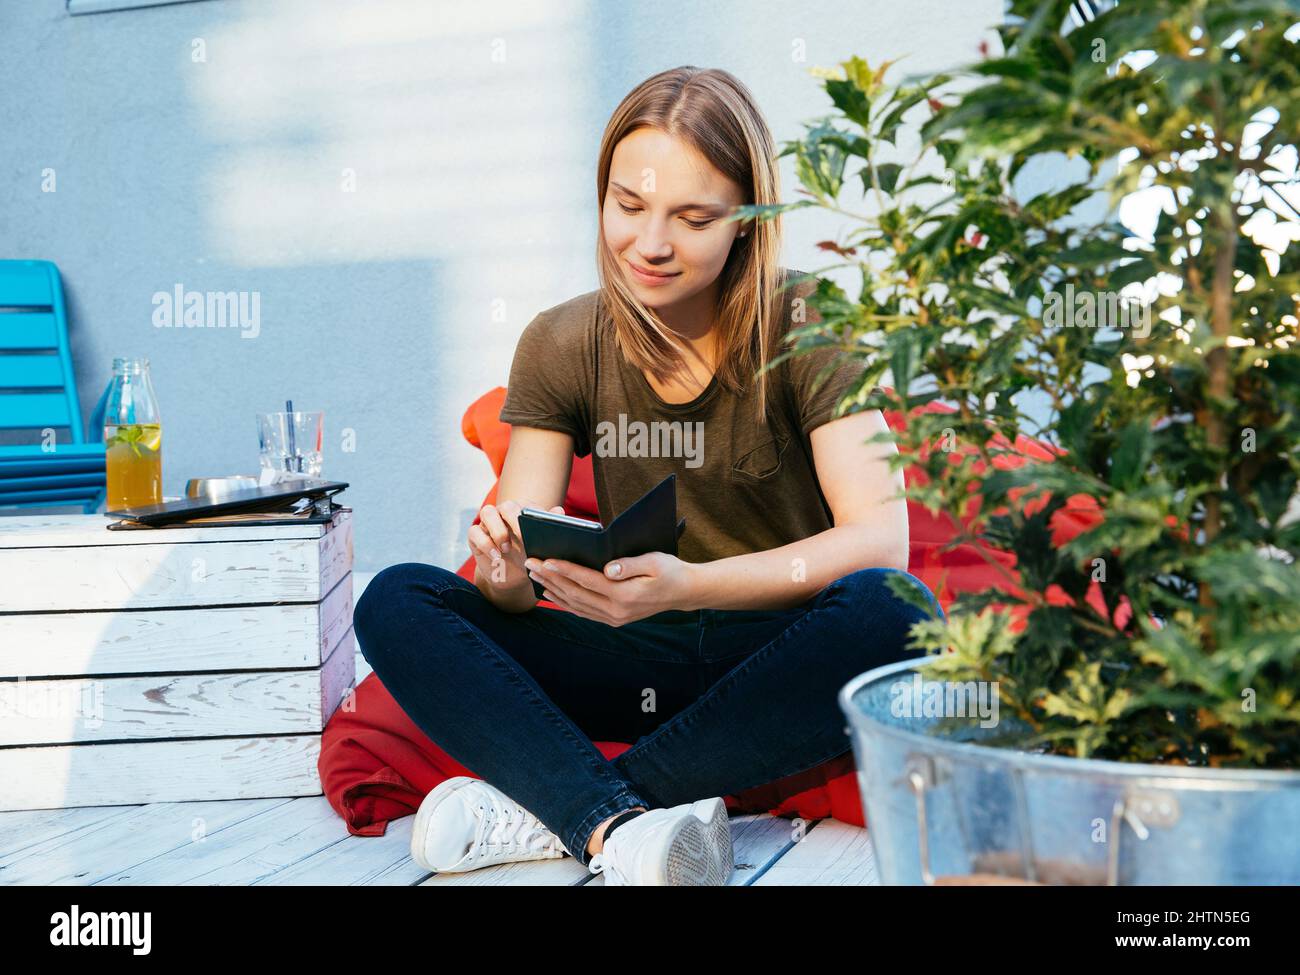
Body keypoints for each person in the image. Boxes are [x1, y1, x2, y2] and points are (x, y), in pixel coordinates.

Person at [353, 65, 941, 886]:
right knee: (396, 599)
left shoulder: (809, 320)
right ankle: (624, 822)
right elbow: (518, 579)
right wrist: (507, 570)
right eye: (629, 206)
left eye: (693, 217)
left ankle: (573, 813)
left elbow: (883, 540)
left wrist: (688, 585)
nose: (651, 244)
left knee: (897, 613)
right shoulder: (560, 341)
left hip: (772, 655)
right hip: (626, 649)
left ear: (746, 220)